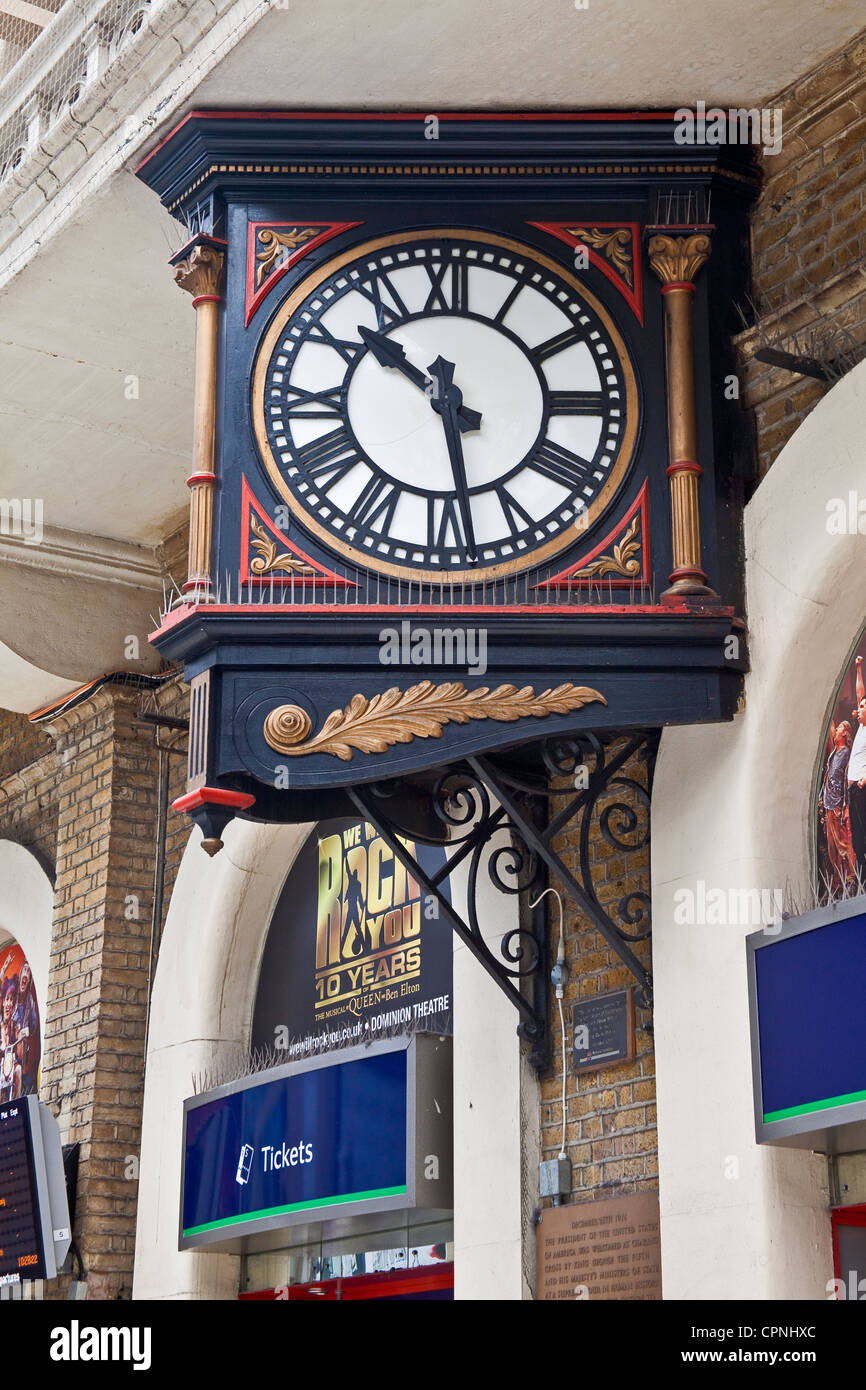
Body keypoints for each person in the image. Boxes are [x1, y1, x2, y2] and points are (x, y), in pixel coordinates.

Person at [820, 718, 857, 893]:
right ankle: (837, 881)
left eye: (840, 727)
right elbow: (829, 777)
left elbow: (844, 780)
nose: (837, 730)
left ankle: (852, 877)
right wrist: (821, 796)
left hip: (837, 806)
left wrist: (844, 806)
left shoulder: (846, 754)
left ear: (845, 733)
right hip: (828, 804)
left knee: (844, 844)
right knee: (832, 848)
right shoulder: (834, 753)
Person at [846, 655, 866, 884]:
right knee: (857, 841)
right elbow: (861, 693)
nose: (858, 709)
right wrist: (859, 668)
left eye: (862, 707)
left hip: (861, 790)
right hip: (853, 790)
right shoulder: (862, 726)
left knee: (864, 838)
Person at [13, 960, 39, 1095]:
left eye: (28, 972)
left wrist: (29, 1029)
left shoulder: (30, 1001)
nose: (25, 975)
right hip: (10, 1056)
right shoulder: (12, 998)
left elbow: (34, 1025)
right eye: (24, 970)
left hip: (24, 1060)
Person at [0, 976, 22, 1100]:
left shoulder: (15, 1026)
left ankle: (17, 1102)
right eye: (7, 999)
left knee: (18, 1070)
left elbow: (20, 1054)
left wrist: (20, 1033)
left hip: (11, 1065)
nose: (8, 1004)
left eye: (11, 1000)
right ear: (3, 1002)